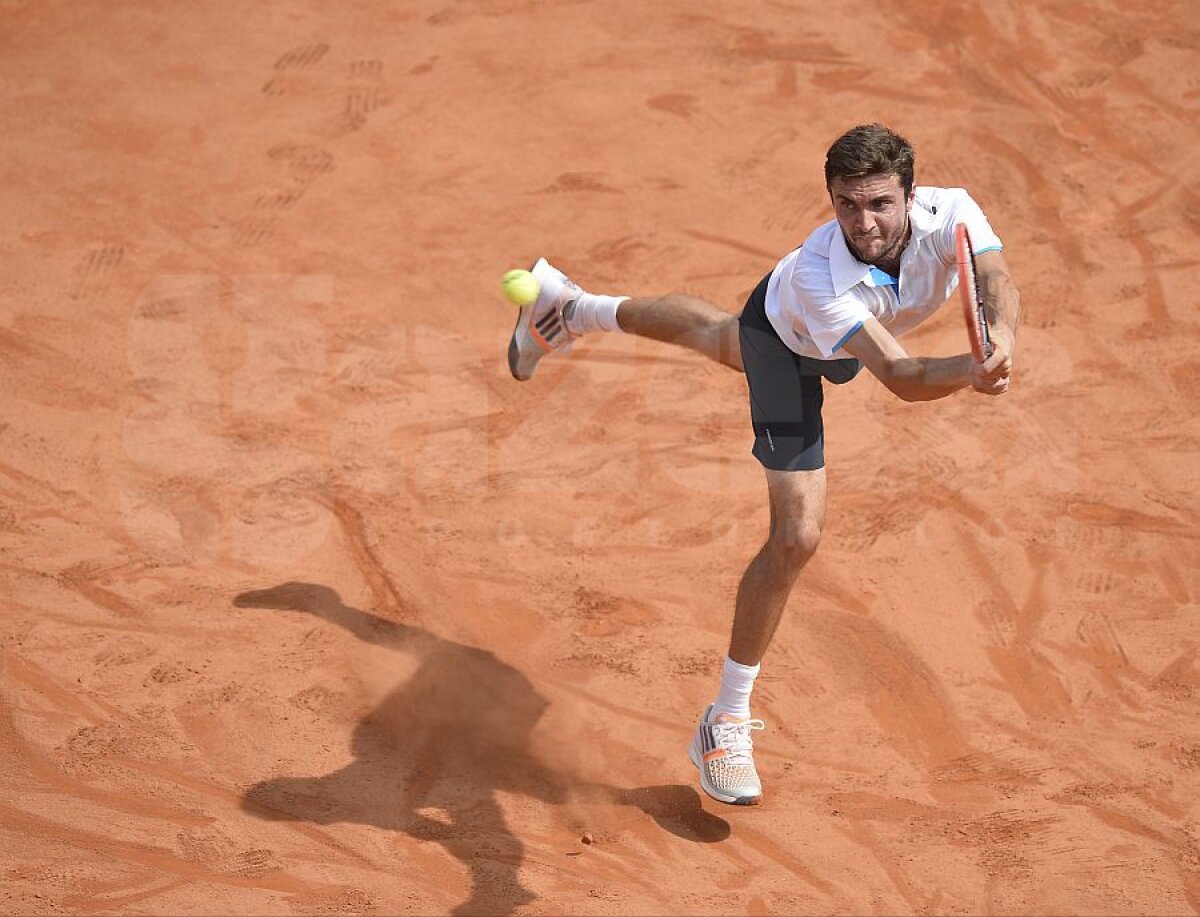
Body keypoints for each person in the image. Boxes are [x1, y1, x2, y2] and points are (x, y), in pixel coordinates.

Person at [506, 123, 1021, 806]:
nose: (863, 223)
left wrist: (1001, 334)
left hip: (844, 337)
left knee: (712, 333)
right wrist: (973, 370)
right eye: (846, 205)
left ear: (911, 195)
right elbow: (901, 376)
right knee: (796, 536)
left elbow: (995, 278)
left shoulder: (953, 212)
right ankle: (723, 722)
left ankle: (572, 307)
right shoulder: (819, 275)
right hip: (786, 344)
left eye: (879, 204)